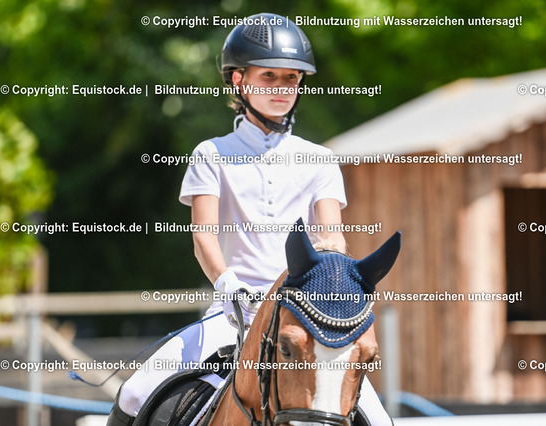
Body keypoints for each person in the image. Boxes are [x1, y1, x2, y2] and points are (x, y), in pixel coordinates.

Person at [106, 13, 392, 425]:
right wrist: (227, 284)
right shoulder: (211, 154)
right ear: (239, 80)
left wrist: (330, 290)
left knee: (378, 418)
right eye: (269, 76)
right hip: (231, 310)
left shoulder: (320, 160)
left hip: (299, 313)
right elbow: (204, 237)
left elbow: (332, 240)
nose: (282, 88)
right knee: (136, 391)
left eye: (291, 78)